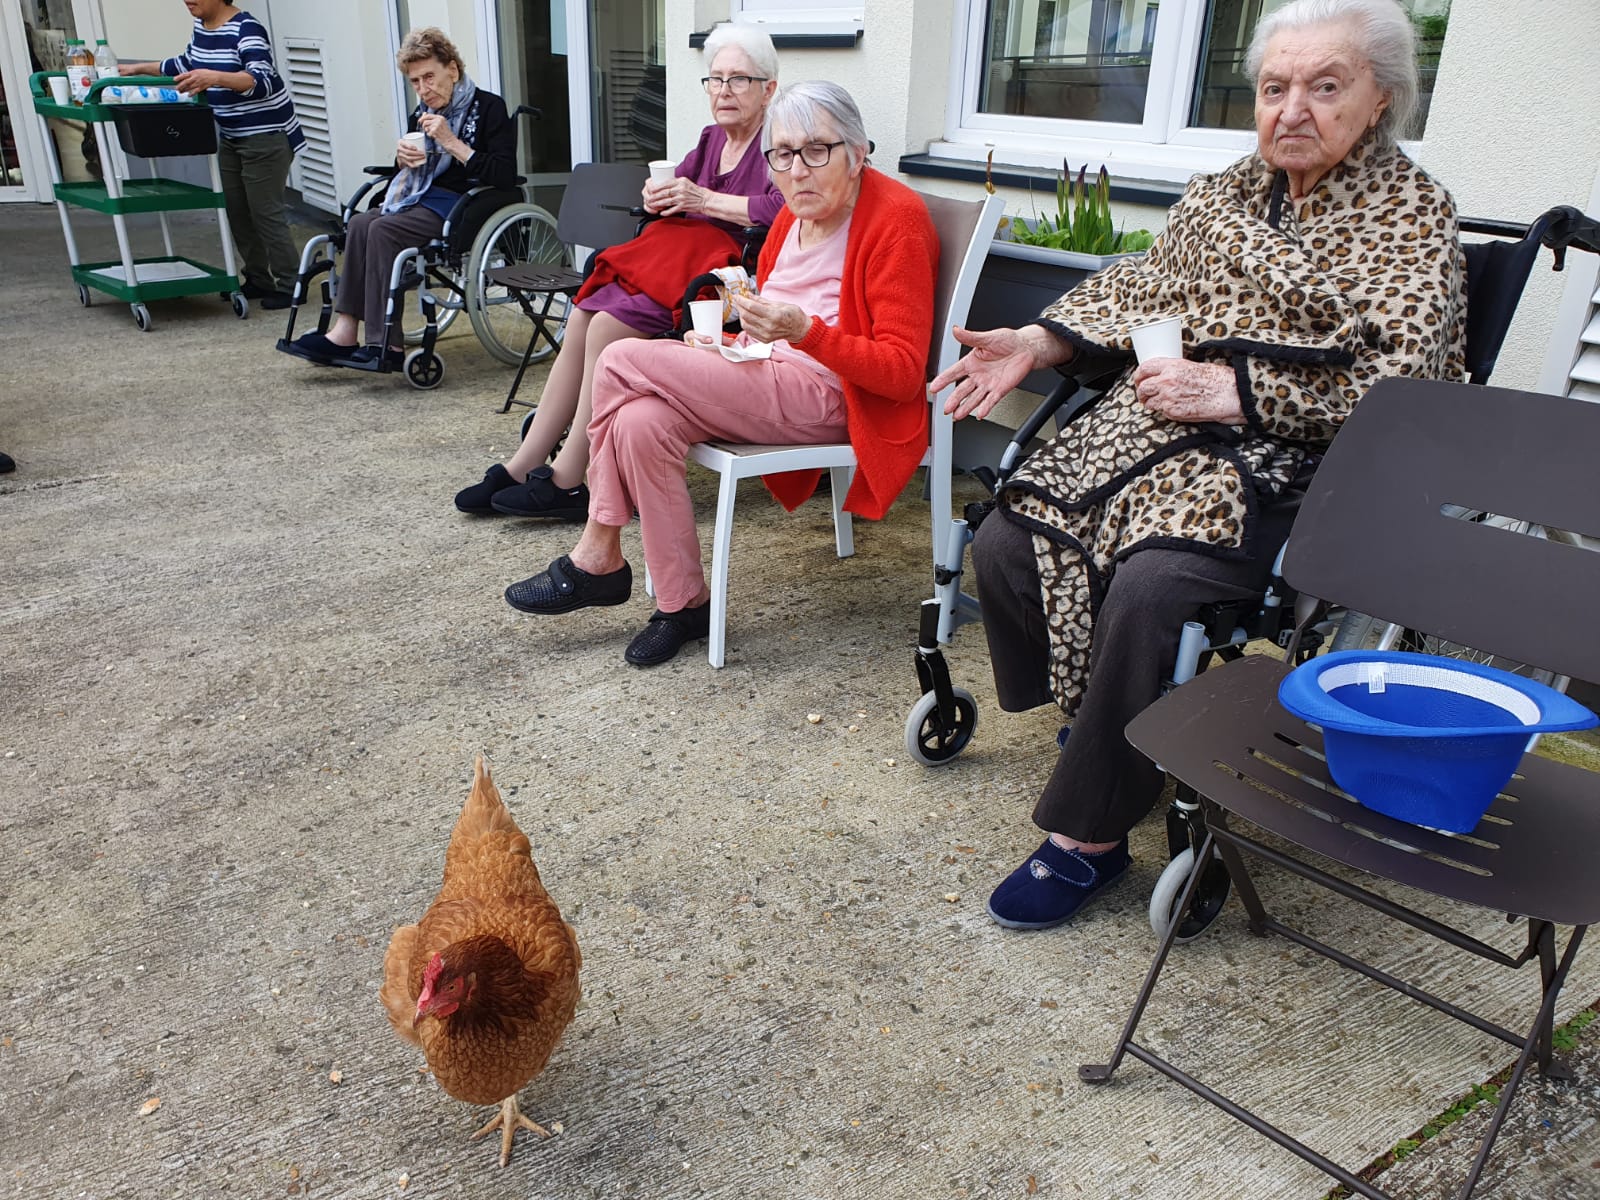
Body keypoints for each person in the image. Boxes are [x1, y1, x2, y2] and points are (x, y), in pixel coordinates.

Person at [930, 0, 1466, 931]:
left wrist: (1240, 393)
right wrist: (1040, 339)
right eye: (1273, 87)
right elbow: (1140, 283)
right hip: (1168, 434)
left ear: (1380, 101)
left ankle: (1087, 839)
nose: (1292, 109)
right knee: (1011, 539)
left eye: (1325, 86)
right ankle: (1106, 714)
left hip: (1299, 472)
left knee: (1153, 590)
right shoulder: (1226, 193)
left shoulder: (1412, 216)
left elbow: (1404, 378)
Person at [500, 81, 938, 667]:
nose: (796, 170)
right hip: (766, 370)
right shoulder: (792, 215)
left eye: (817, 151)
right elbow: (770, 317)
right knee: (639, 421)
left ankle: (598, 550)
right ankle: (684, 604)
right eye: (782, 155)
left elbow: (903, 374)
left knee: (620, 357)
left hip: (837, 395)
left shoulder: (896, 220)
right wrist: (723, 341)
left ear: (858, 154)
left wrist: (804, 332)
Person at [452, 22, 785, 520]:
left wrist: (704, 200)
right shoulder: (711, 139)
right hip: (677, 263)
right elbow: (681, 197)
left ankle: (571, 477)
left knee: (605, 324)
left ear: (768, 89)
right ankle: (524, 463)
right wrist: (657, 200)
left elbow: (786, 210)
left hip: (726, 282)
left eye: (739, 79)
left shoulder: (780, 142)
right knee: (585, 313)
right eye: (715, 79)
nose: (723, 91)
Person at [280, 27, 515, 370]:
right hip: (418, 199)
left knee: (383, 231)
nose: (423, 89)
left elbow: (505, 174)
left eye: (429, 77)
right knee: (361, 223)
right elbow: (405, 174)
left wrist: (452, 142)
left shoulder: (489, 108)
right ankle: (345, 330)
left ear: (453, 69)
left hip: (463, 204)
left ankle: (385, 344)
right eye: (415, 82)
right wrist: (402, 159)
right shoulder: (420, 115)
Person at [122, 1, 304, 309]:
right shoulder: (202, 27)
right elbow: (187, 64)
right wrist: (136, 69)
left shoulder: (246, 28)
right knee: (237, 210)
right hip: (232, 135)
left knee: (265, 212)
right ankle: (259, 278)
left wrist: (215, 77)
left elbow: (264, 80)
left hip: (266, 135)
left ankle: (290, 286)